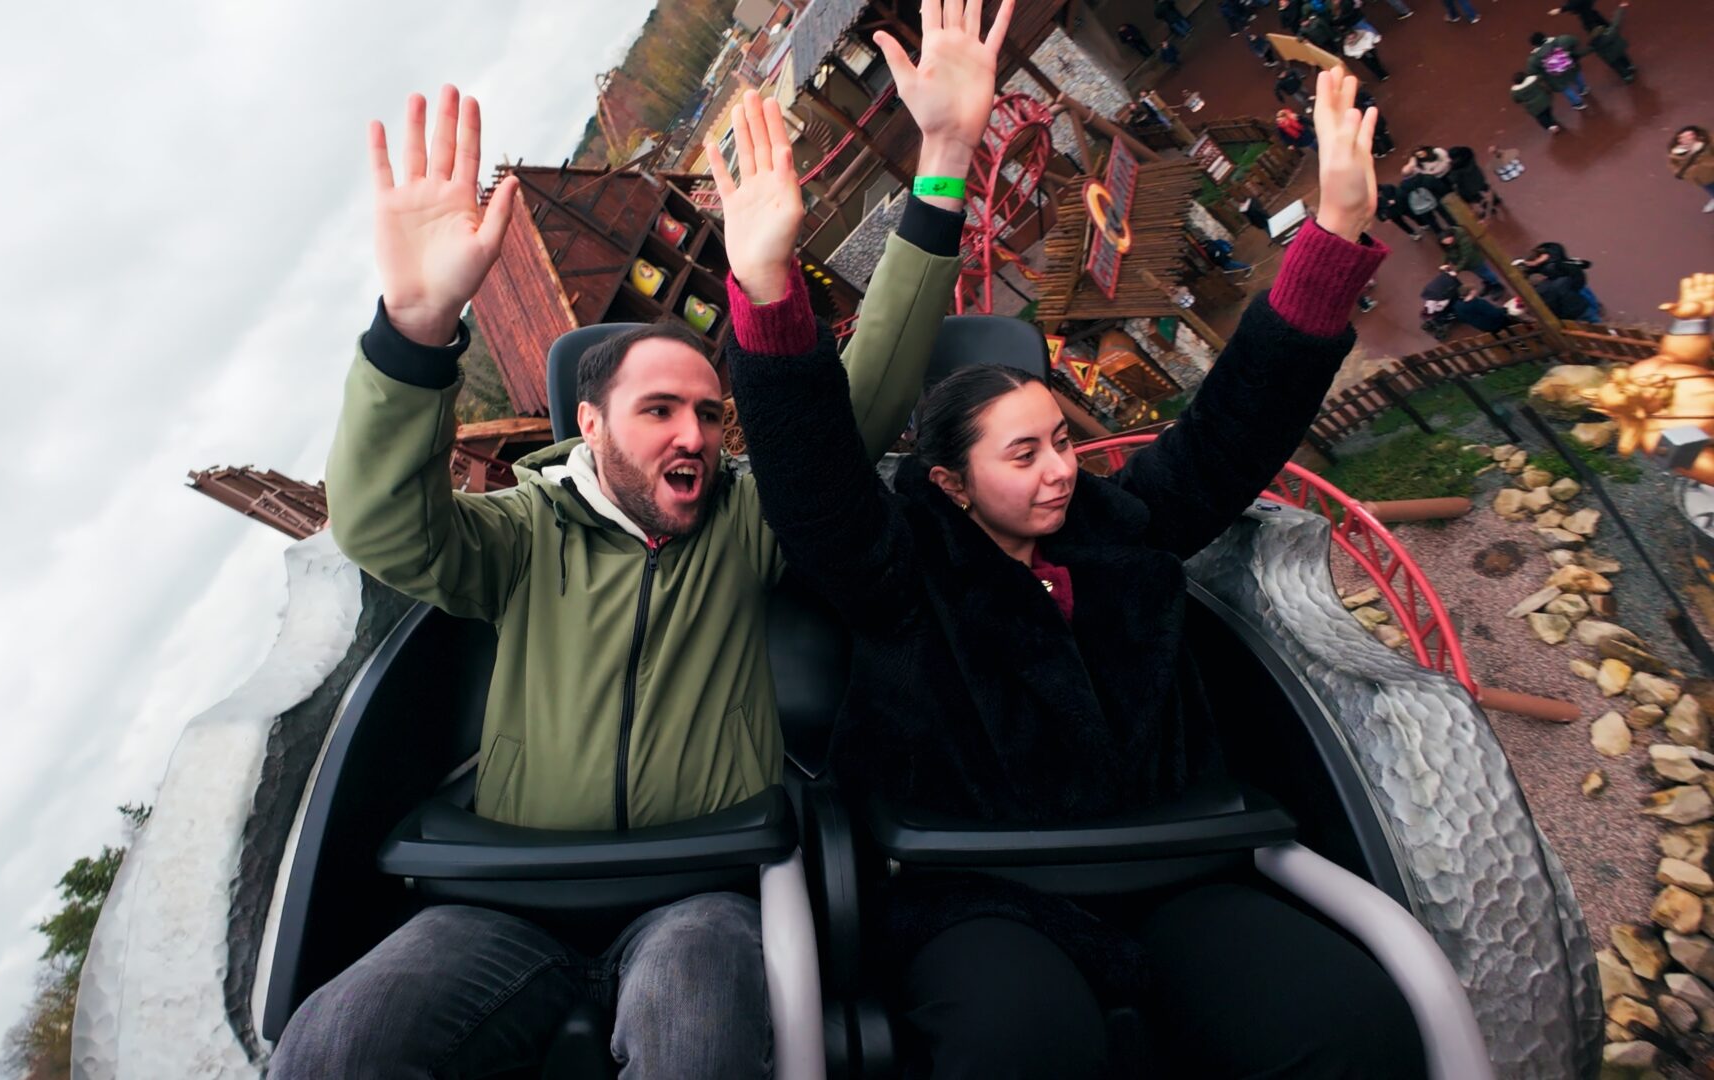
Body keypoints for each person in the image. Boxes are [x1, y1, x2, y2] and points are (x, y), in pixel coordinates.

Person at [267, 4, 1018, 1076]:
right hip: (508, 902)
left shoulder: (746, 519)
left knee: (698, 1030)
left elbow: (847, 421)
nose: (695, 435)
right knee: (336, 1041)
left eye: (711, 414)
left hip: (698, 891)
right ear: (587, 424)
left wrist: (945, 158)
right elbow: (386, 527)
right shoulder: (520, 538)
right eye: (661, 410)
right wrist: (417, 326)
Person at [724, 64, 1426, 1080]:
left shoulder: (1121, 526)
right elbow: (813, 478)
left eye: (1061, 440)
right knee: (1024, 1047)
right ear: (952, 485)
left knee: (1349, 1023)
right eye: (1024, 456)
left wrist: (1330, 234)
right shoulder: (903, 571)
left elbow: (1239, 423)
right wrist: (765, 291)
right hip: (981, 892)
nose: (1062, 469)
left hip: (1171, 867)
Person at [1529, 30, 1590, 110]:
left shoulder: (1534, 58)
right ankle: (1583, 89)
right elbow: (1574, 40)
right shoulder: (1561, 40)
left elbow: (1532, 71)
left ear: (1534, 44)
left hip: (1555, 76)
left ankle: (1578, 103)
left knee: (1566, 89)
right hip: (1569, 66)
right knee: (1576, 75)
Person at [1582, 3, 1638, 84]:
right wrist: (1620, 9)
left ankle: (1627, 76)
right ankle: (1630, 66)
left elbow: (1586, 51)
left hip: (1610, 57)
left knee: (1617, 66)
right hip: (1618, 49)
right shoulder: (1611, 33)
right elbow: (1616, 21)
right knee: (1624, 58)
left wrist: (1573, 54)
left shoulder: (1594, 44)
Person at [1447, 144, 1505, 218]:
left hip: (1468, 186)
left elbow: (1454, 179)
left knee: (1477, 198)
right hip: (1478, 177)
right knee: (1486, 187)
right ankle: (1496, 199)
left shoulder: (1456, 169)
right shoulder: (1469, 155)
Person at [1668, 126, 1714, 214]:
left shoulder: (1708, 144)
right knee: (1710, 188)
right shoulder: (1677, 153)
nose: (1685, 139)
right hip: (1701, 179)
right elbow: (1675, 167)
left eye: (1689, 136)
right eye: (1682, 137)